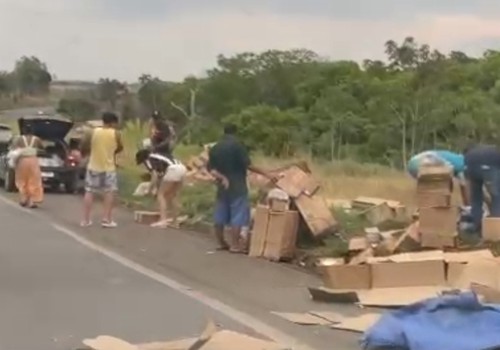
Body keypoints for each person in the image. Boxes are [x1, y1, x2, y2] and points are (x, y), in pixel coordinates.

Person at [207, 124, 274, 253]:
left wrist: (222, 178)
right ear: (235, 133)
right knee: (238, 214)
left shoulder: (215, 147)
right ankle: (235, 245)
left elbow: (211, 168)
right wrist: (267, 174)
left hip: (222, 185)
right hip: (237, 183)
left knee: (220, 213)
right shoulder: (238, 146)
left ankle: (221, 243)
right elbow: (248, 165)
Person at [80, 112, 123, 228]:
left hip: (93, 166)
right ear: (113, 122)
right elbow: (120, 147)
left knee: (89, 191)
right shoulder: (116, 134)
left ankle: (85, 220)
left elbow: (84, 146)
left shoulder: (93, 132)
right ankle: (106, 219)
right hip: (109, 167)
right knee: (109, 192)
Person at [136, 147, 187, 228]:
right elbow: (161, 177)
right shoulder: (159, 156)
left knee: (161, 194)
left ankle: (163, 220)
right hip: (182, 168)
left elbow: (154, 176)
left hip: (173, 169)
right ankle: (175, 222)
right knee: (173, 196)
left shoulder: (149, 159)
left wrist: (149, 190)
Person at [463, 144, 500, 234]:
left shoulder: (468, 155)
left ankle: (476, 226)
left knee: (476, 199)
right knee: (497, 197)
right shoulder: (494, 153)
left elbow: (467, 185)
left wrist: (467, 202)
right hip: (488, 165)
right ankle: (495, 228)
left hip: (471, 168)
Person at [12, 121, 43, 208]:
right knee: (34, 180)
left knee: (22, 180)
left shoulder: (19, 139)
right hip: (33, 160)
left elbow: (14, 148)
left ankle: (23, 199)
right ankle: (32, 201)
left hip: (22, 160)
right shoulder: (36, 139)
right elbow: (42, 148)